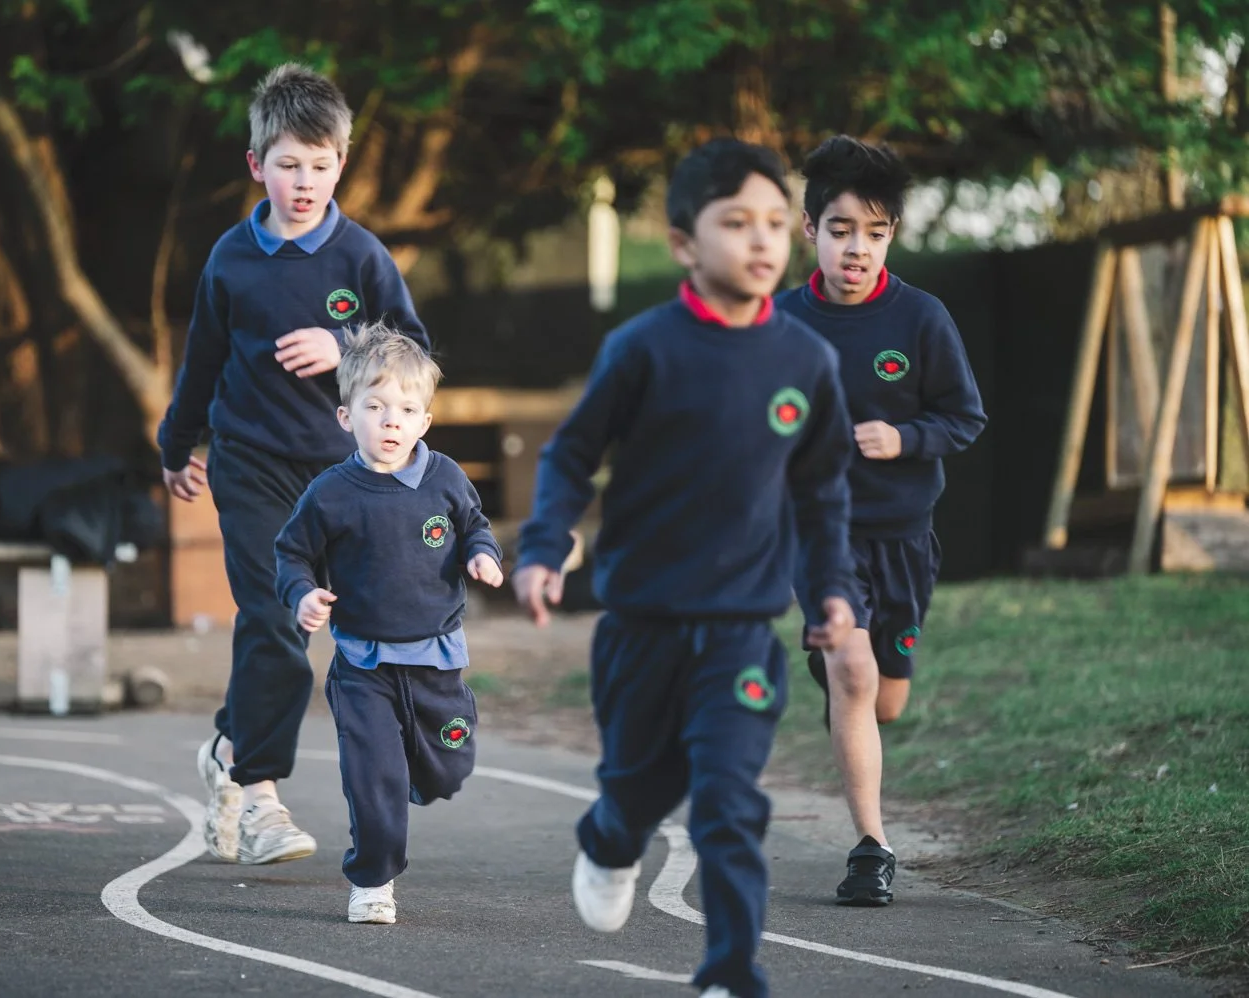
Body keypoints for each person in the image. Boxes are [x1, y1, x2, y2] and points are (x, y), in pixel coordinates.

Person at [514, 137, 856, 998]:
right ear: (682, 243)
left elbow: (821, 494)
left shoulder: (807, 363)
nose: (761, 239)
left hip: (742, 631)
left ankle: (731, 974)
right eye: (736, 222)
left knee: (729, 803)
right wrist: (545, 546)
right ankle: (610, 838)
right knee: (639, 787)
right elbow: (571, 456)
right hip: (642, 628)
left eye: (774, 222)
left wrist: (832, 590)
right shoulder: (643, 349)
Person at [156, 63, 428, 866]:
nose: (303, 182)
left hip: (341, 479)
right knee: (276, 619)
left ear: (340, 165)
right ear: (256, 165)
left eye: (319, 164)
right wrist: (176, 445)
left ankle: (228, 747)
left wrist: (346, 345)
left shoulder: (362, 257)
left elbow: (413, 352)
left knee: (341, 630)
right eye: (287, 164)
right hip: (251, 466)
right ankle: (262, 799)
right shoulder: (230, 260)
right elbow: (202, 361)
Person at [776, 134, 987, 906]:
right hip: (820, 536)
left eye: (874, 232)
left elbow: (964, 418)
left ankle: (842, 674)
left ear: (892, 234)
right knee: (854, 672)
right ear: (811, 230)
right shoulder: (779, 323)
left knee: (883, 697)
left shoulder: (923, 318)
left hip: (904, 536)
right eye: (840, 230)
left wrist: (905, 438)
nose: (856, 249)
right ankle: (872, 847)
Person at [275, 323, 503, 924]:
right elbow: (292, 553)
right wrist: (302, 594)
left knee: (449, 768)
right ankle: (373, 880)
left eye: (404, 410)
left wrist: (482, 555)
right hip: (363, 666)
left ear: (424, 421)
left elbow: (476, 526)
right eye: (374, 407)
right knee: (373, 777)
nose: (390, 421)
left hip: (437, 663)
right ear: (346, 417)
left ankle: (416, 774)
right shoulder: (330, 493)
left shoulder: (445, 478)